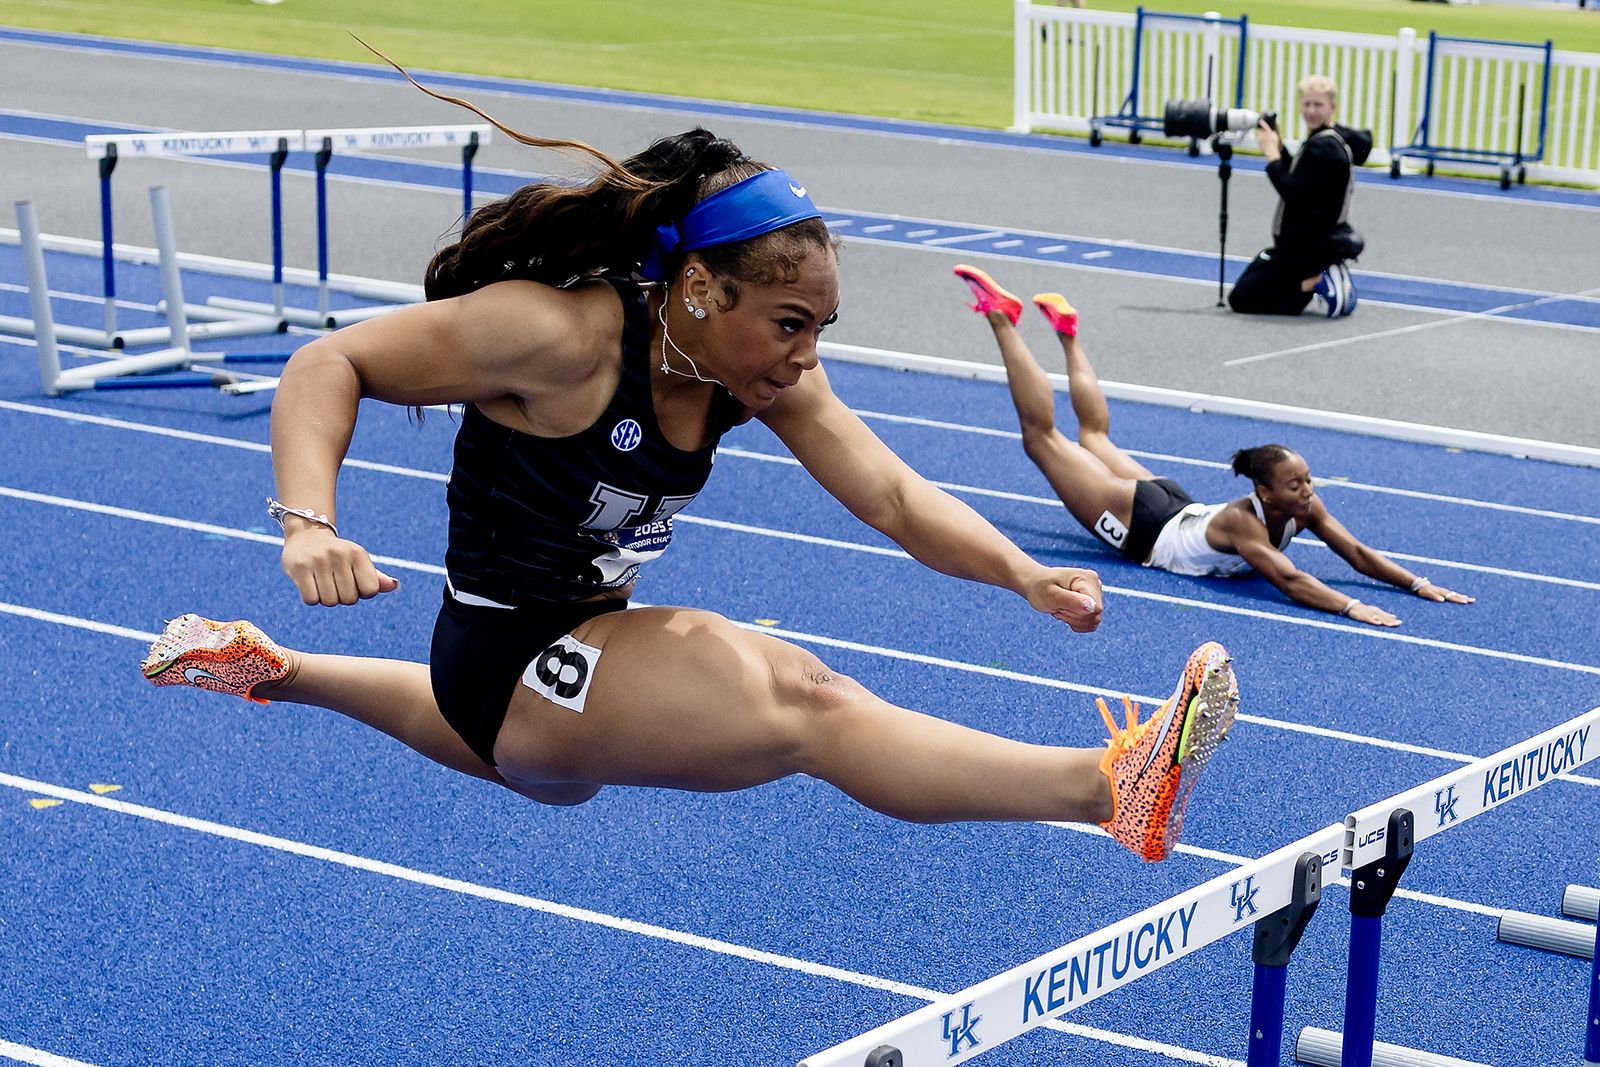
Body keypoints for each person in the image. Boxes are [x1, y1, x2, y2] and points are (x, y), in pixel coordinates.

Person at [137, 110, 1240, 863]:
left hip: (566, 669)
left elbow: (895, 498)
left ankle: (275, 670)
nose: (806, 356)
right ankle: (1109, 788)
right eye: (790, 322)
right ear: (701, 286)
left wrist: (1022, 575)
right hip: (512, 661)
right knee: (807, 701)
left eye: (822, 327)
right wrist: (307, 523)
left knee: (542, 762)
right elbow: (330, 361)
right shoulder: (558, 336)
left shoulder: (751, 372)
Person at [953, 265, 1475, 627]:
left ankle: (1068, 332)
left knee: (1093, 438)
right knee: (1042, 439)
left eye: (1308, 480)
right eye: (1295, 485)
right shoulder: (1243, 522)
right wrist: (1348, 607)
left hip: (1172, 507)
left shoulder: (1302, 508)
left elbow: (1357, 552)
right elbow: (1289, 580)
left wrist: (1415, 583)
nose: (1308, 491)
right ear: (1265, 494)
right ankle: (1001, 317)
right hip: (1146, 528)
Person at [1227, 75, 1372, 318]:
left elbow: (1292, 191)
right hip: (1308, 242)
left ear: (1331, 107)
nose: (1311, 111)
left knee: (1242, 298)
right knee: (1256, 278)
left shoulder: (1323, 148)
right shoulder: (1329, 139)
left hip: (1304, 246)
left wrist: (1272, 155)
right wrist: (1280, 145)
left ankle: (1317, 281)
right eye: (1307, 104)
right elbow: (1302, 178)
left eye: (1318, 105)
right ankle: (1315, 279)